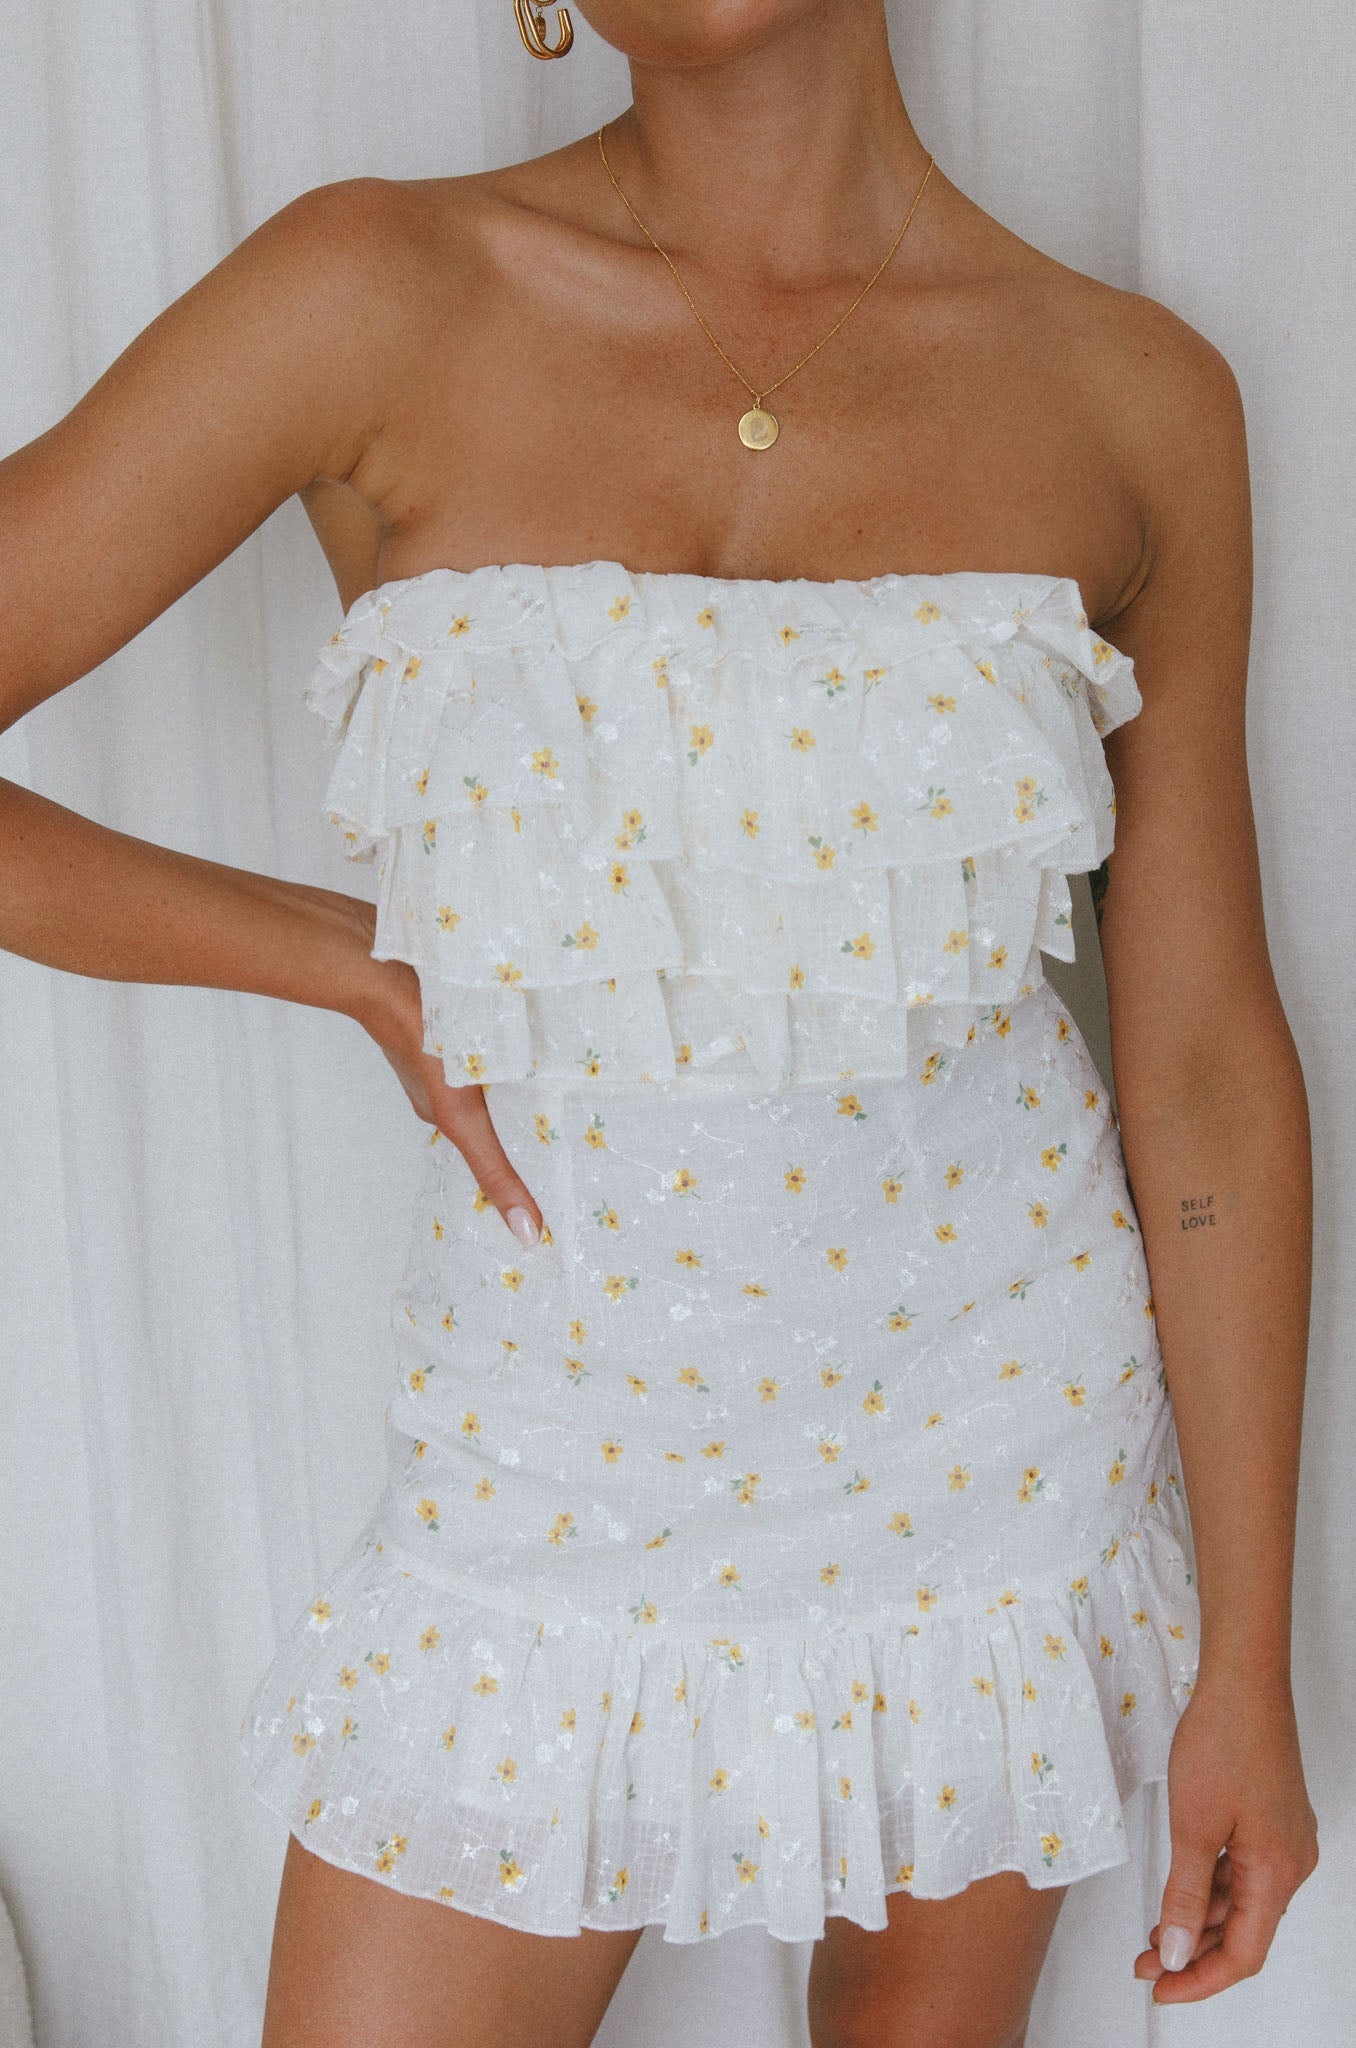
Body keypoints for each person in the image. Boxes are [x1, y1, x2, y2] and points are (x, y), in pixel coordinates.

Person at [0, 1, 1320, 2043]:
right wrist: (335, 954)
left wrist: (1248, 1660)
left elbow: (1209, 1064)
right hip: (546, 1475)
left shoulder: (1130, 393)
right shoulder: (370, 290)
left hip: (997, 1455)